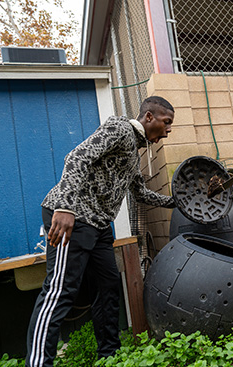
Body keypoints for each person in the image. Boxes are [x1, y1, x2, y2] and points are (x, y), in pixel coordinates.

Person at [26, 96, 176, 366]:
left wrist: (176, 202)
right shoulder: (119, 128)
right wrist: (65, 207)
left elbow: (140, 193)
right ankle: (37, 363)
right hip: (72, 217)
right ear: (149, 117)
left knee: (108, 287)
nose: (168, 130)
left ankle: (109, 354)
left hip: (98, 226)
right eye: (166, 123)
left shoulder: (134, 151)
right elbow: (77, 157)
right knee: (60, 291)